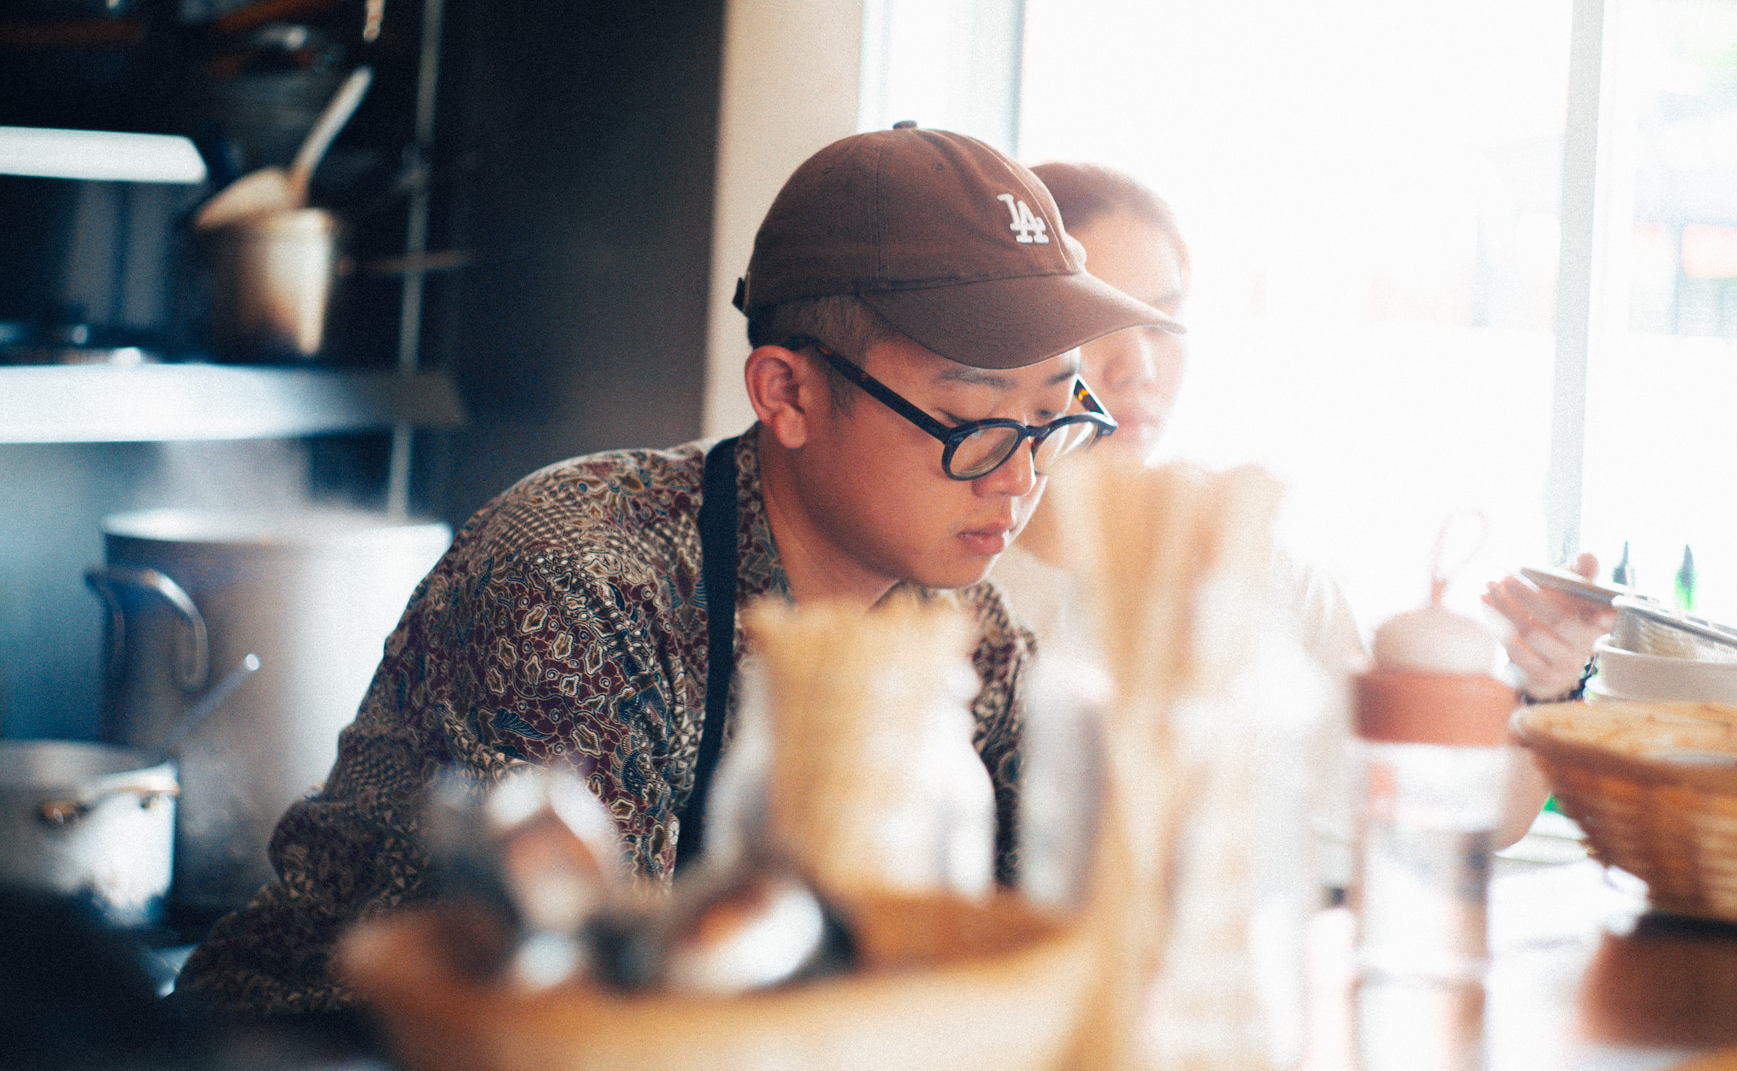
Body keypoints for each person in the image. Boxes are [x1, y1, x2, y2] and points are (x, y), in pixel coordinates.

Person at [176, 125, 1180, 1018]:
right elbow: (587, 1009)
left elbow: (1055, 948)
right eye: (971, 422)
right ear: (787, 394)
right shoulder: (581, 584)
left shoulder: (960, 636)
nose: (1019, 474)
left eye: (1051, 415)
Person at [988, 161, 1609, 863]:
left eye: (1162, 323)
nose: (1138, 367)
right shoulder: (955, 580)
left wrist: (1546, 688)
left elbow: (1462, 813)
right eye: (1097, 319)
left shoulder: (1268, 582)